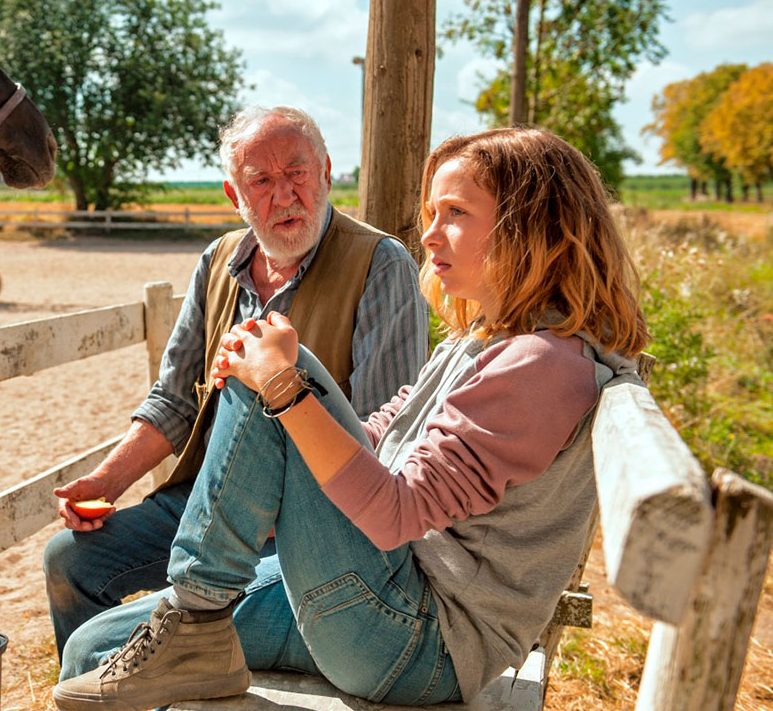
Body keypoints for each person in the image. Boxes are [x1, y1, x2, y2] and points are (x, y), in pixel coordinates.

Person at [52, 126, 649, 711]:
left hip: (421, 639)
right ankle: (194, 615)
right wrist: (280, 419)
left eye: (456, 213)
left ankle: (194, 609)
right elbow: (374, 437)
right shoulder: (481, 341)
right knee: (92, 646)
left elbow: (397, 514)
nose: (431, 235)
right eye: (432, 213)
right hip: (380, 590)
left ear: (530, 225)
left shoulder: (542, 364)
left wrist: (284, 389)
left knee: (285, 370)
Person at [43, 106, 429, 660]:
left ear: (325, 172)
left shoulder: (380, 264)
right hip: (207, 500)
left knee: (162, 621)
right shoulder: (218, 260)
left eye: (297, 173)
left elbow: (381, 442)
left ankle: (150, 668)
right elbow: (175, 400)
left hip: (308, 525)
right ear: (234, 195)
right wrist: (107, 480)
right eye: (262, 181)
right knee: (69, 561)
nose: (285, 195)